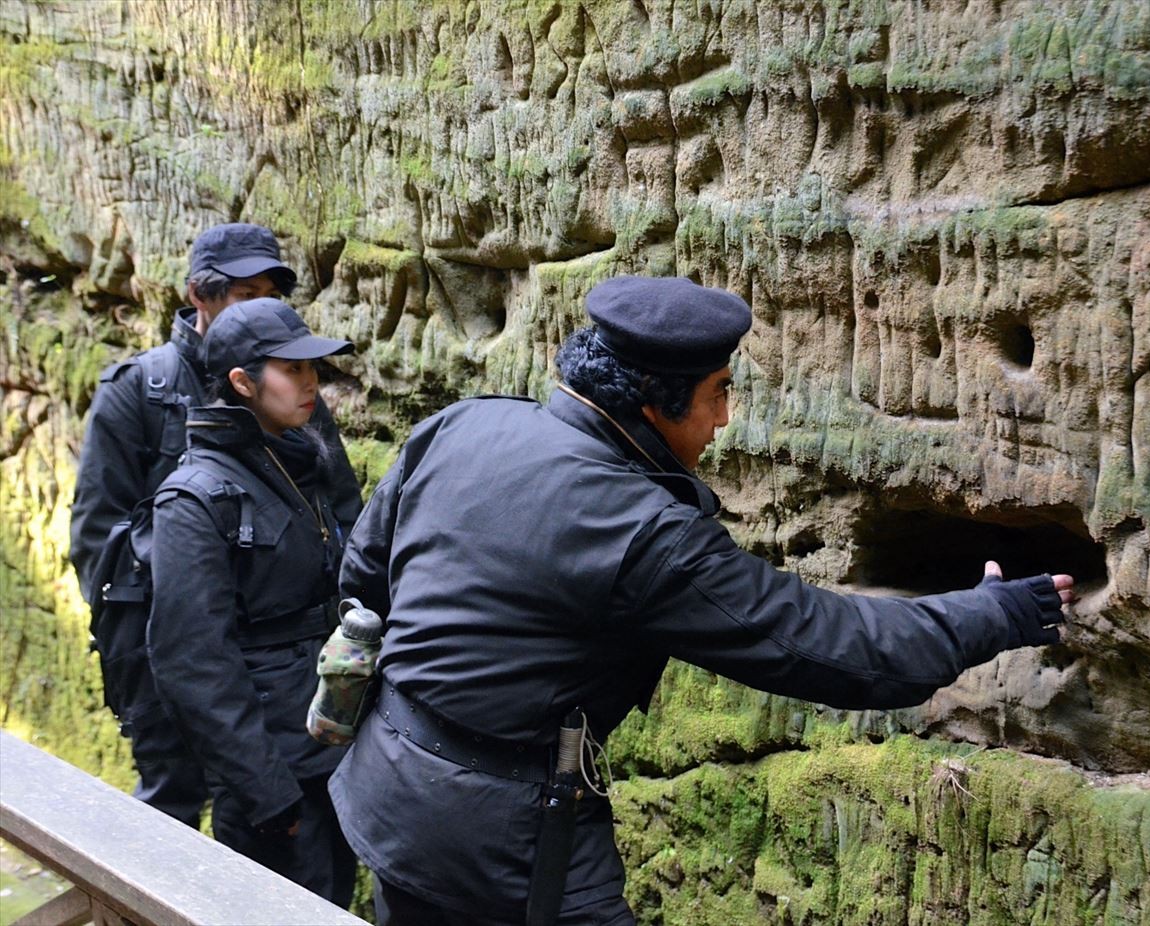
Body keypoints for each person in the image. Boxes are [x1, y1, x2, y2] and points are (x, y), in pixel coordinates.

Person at [330, 275, 1075, 926]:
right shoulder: (643, 531)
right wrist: (996, 614)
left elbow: (364, 577)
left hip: (386, 785)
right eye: (718, 394)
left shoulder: (463, 424)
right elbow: (816, 642)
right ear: (655, 404)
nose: (724, 420)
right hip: (505, 838)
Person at [69, 222, 361, 828]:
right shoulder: (139, 391)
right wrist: (143, 649)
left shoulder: (290, 390)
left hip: (272, 663)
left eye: (271, 295)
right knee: (172, 808)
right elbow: (97, 537)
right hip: (169, 642)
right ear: (199, 296)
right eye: (243, 293)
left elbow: (338, 508)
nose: (259, 308)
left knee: (267, 812)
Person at [144, 297, 359, 905]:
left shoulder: (304, 453)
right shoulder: (194, 500)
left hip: (333, 749)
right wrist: (267, 793)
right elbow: (193, 662)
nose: (311, 381)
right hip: (273, 777)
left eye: (312, 366)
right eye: (292, 369)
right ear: (242, 382)